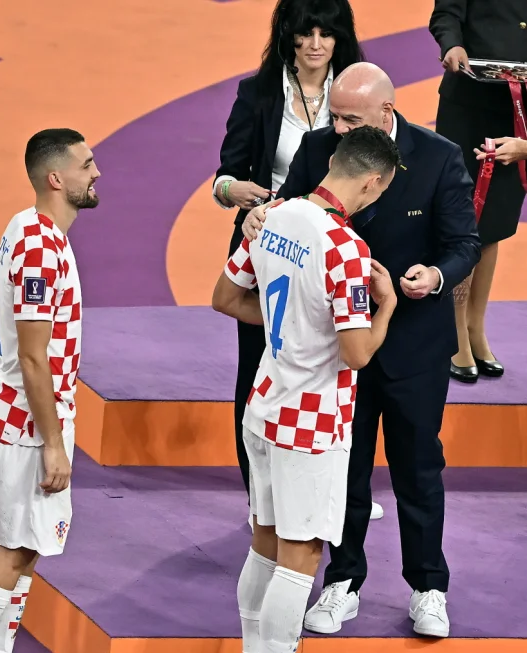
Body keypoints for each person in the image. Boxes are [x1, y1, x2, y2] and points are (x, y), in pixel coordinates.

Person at [240, 62, 482, 638]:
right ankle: (343, 579)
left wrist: (437, 277)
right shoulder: (321, 148)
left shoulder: (439, 155)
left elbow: (464, 242)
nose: (340, 129)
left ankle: (428, 586)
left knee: (418, 467)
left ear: (386, 112)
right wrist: (259, 215)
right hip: (338, 349)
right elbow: (293, 217)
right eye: (336, 116)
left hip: (412, 347)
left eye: (352, 118)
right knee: (342, 474)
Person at [212, 125, 399, 653]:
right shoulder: (347, 248)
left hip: (263, 404)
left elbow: (225, 298)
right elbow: (357, 353)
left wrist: (290, 326)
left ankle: (255, 645)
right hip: (312, 422)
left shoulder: (275, 215)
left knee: (264, 543)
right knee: (301, 556)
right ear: (373, 182)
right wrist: (387, 306)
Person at [212, 0, 385, 519]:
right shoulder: (258, 93)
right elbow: (224, 174)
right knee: (260, 369)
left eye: (326, 34)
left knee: (343, 373)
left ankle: (340, 488)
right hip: (271, 242)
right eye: (305, 34)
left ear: (339, 39)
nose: (315, 44)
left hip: (336, 254)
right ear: (287, 36)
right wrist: (234, 191)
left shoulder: (358, 90)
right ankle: (259, 497)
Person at [0, 128, 100, 653]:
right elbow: (33, 356)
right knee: (11, 552)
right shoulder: (38, 248)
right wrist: (54, 443)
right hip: (25, 424)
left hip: (18, 413)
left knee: (26, 550)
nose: (96, 172)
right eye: (86, 164)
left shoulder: (32, 229)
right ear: (57, 178)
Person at [430, 0, 527, 382]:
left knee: (496, 224)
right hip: (470, 105)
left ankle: (476, 327)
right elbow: (446, 13)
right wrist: (452, 45)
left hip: (519, 110)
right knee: (463, 221)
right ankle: (454, 333)